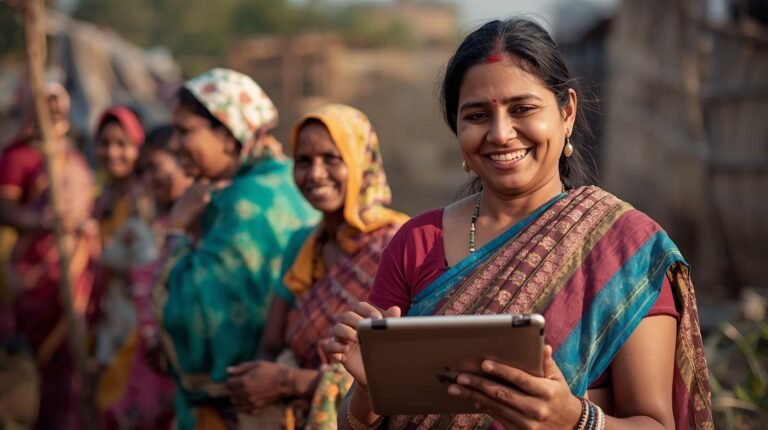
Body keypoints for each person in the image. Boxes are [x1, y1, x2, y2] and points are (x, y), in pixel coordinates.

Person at [326, 18, 713, 430]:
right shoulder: (416, 242)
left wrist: (575, 420)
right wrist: (368, 391)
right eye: (476, 115)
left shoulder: (623, 246)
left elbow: (656, 424)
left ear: (567, 113)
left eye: (523, 109)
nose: (500, 133)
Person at [226, 104, 409, 428]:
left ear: (361, 162)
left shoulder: (400, 243)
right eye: (304, 161)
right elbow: (270, 344)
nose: (315, 174)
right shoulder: (304, 246)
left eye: (332, 159)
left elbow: (400, 369)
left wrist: (288, 382)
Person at [160, 68, 320, 430]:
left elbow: (189, 317)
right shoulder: (284, 177)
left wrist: (177, 230)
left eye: (185, 131)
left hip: (247, 406)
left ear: (229, 135)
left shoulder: (241, 205)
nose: (174, 144)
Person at [0, 82, 98, 429]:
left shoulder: (72, 156)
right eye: (47, 107)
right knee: (30, 370)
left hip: (76, 273)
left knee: (71, 370)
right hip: (35, 275)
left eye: (60, 108)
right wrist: (42, 221)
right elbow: (5, 209)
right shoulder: (18, 156)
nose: (55, 114)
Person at [95, 125, 188, 429]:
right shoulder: (145, 220)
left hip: (179, 357)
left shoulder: (195, 224)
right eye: (144, 171)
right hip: (139, 346)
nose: (149, 179)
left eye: (156, 168)